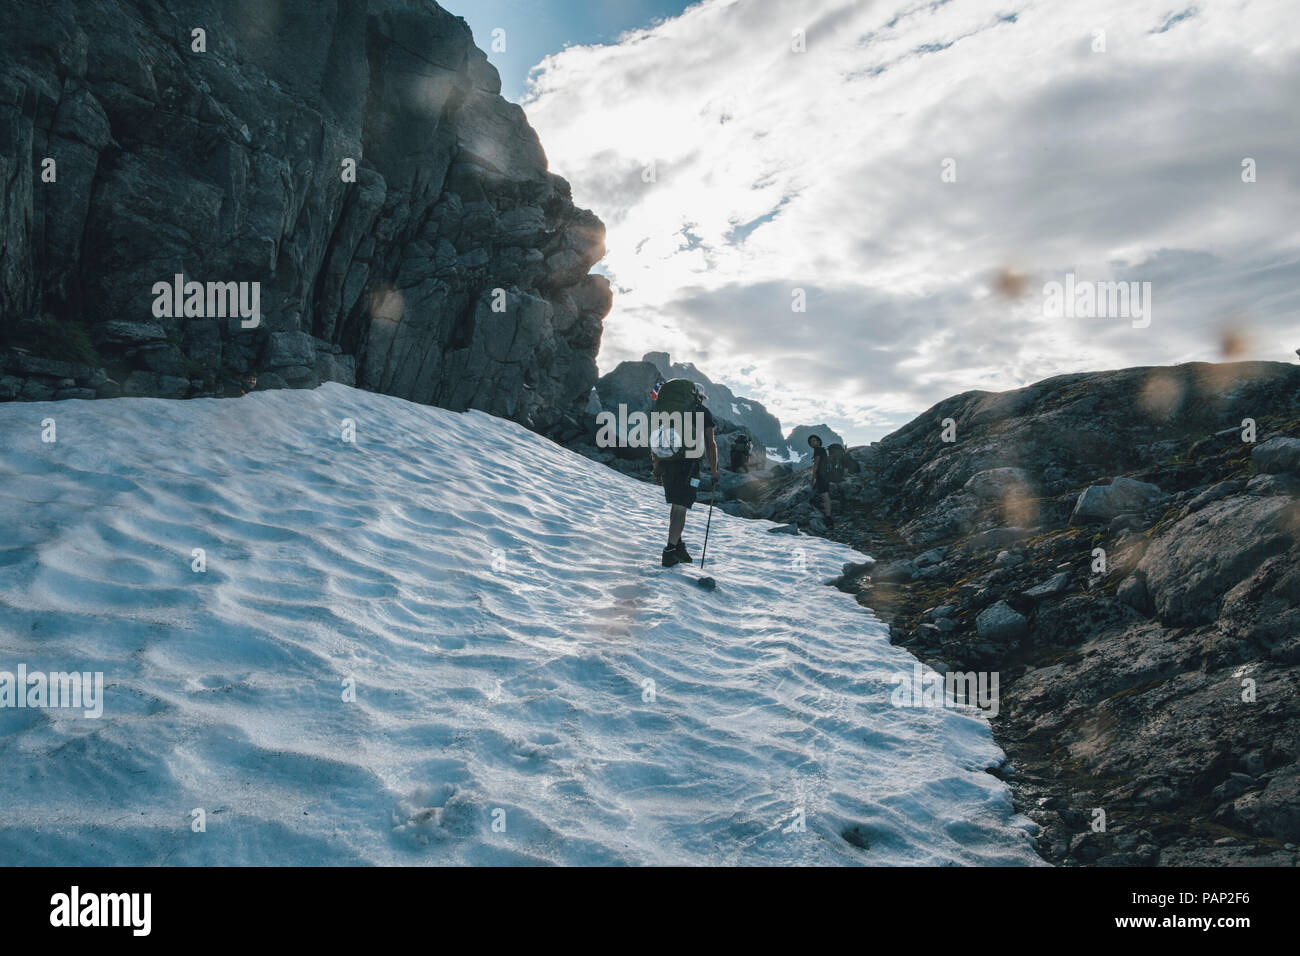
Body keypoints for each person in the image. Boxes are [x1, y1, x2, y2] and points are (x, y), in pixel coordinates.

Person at [651, 382, 719, 567]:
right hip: (689, 465)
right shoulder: (701, 412)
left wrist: (657, 467)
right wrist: (714, 470)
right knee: (681, 507)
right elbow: (710, 443)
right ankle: (670, 551)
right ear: (697, 396)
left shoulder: (668, 411)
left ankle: (678, 545)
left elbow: (655, 438)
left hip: (667, 462)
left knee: (676, 505)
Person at [808, 434, 833, 528]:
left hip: (821, 476)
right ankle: (828, 516)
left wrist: (812, 477)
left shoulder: (818, 450)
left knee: (825, 496)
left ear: (818, 441)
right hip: (825, 475)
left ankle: (828, 517)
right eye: (811, 442)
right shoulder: (822, 449)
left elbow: (816, 464)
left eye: (814, 440)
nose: (812, 443)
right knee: (824, 495)